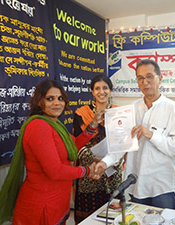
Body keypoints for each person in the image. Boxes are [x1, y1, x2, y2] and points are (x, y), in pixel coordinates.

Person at [0, 79, 104, 225]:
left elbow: (72, 146)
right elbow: (55, 171)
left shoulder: (56, 124)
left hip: (57, 202)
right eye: (50, 98)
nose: (57, 103)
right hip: (41, 206)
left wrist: (93, 124)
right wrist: (88, 171)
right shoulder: (38, 126)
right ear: (39, 101)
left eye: (60, 98)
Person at [95, 59, 175, 209]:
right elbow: (122, 144)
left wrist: (151, 134)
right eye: (140, 78)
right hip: (135, 183)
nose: (145, 82)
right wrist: (104, 163)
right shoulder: (132, 108)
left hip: (162, 187)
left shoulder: (173, 109)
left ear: (160, 78)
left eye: (149, 76)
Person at [72, 75, 124, 223]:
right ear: (92, 92)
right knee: (89, 217)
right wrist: (97, 161)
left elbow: (123, 143)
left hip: (112, 172)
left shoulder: (119, 113)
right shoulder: (82, 113)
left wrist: (110, 162)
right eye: (97, 88)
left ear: (111, 90)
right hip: (90, 171)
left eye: (105, 88)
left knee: (112, 214)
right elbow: (78, 144)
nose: (102, 92)